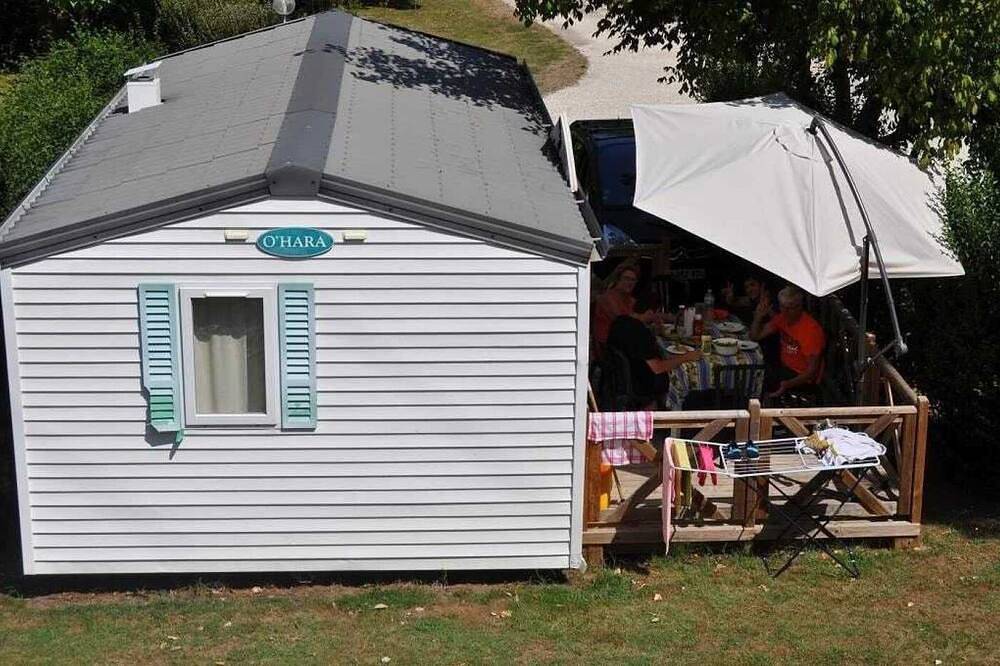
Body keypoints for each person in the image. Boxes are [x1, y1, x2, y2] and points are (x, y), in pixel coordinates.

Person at [750, 285, 826, 400]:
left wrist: (787, 384)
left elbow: (811, 372)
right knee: (754, 371)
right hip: (784, 368)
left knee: (760, 379)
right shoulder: (782, 318)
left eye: (790, 308)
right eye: (782, 307)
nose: (786, 312)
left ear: (800, 306)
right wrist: (758, 316)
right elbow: (755, 336)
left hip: (801, 378)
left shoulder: (811, 330)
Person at [606, 315, 702, 402]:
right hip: (641, 383)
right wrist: (687, 357)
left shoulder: (620, 321)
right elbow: (658, 368)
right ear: (651, 312)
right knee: (678, 373)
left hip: (622, 377)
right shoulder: (639, 331)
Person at [592, 260, 668, 355]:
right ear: (618, 280)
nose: (630, 283)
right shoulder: (607, 297)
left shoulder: (629, 299)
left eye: (633, 280)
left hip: (622, 344)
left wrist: (653, 319)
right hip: (609, 351)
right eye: (626, 278)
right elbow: (623, 320)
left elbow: (633, 319)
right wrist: (644, 318)